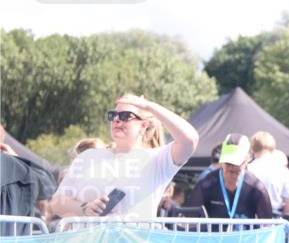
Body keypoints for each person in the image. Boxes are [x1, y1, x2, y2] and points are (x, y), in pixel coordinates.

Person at [50, 94, 198, 221]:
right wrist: (84, 209)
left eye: (125, 116)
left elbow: (190, 139)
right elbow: (56, 203)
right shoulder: (87, 157)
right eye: (113, 116)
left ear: (143, 125)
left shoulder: (157, 159)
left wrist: (150, 107)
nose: (117, 120)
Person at [187, 133, 272, 221]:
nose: (232, 167)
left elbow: (268, 226)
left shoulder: (256, 188)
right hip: (213, 234)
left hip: (245, 234)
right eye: (228, 162)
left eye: (236, 162)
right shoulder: (206, 185)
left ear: (247, 159)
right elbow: (190, 220)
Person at [247, 131, 289, 218]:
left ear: (253, 149)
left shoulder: (247, 170)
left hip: (251, 222)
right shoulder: (283, 171)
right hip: (275, 223)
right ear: (273, 149)